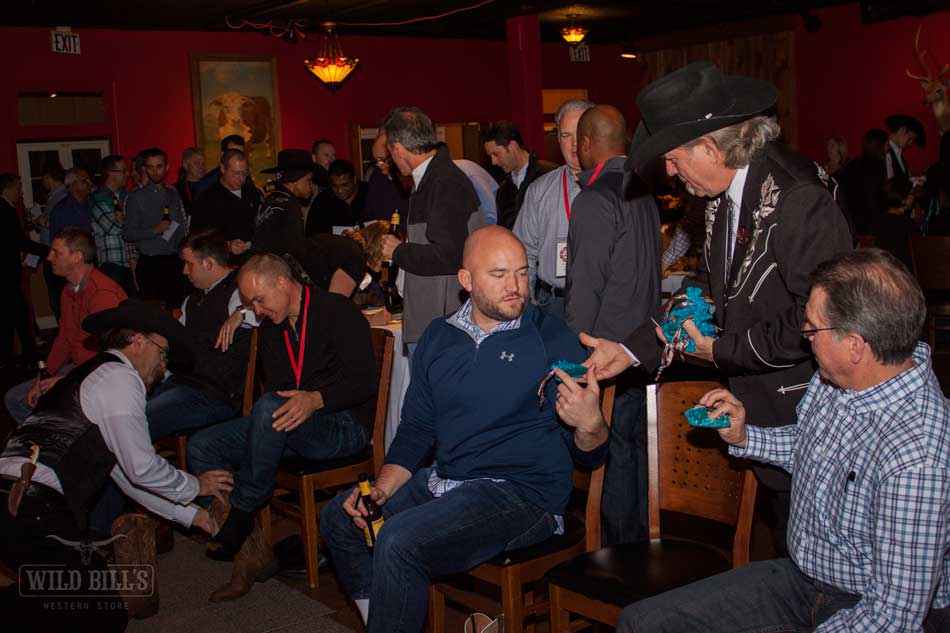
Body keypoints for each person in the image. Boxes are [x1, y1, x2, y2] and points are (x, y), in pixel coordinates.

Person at [584, 61, 853, 554]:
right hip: (759, 410)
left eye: (672, 158)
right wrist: (630, 350)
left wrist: (722, 350)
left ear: (709, 148)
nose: (668, 171)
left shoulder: (798, 199)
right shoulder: (721, 192)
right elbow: (702, 291)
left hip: (808, 417)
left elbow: (821, 323)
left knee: (822, 575)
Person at [617, 248, 950, 633]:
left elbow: (893, 617)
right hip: (801, 582)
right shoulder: (843, 378)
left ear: (856, 346)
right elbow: (814, 449)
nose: (804, 337)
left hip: (863, 607)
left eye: (811, 329)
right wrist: (745, 436)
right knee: (641, 624)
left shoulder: (918, 454)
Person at [321, 226, 610, 632]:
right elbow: (417, 429)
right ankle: (382, 618)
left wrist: (591, 424)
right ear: (466, 281)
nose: (515, 287)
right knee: (339, 517)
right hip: (449, 481)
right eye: (499, 275)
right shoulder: (440, 337)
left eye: (522, 273)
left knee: (400, 540)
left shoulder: (550, 337)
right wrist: (383, 489)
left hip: (522, 493)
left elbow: (590, 452)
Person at [0, 299, 233, 628]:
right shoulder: (121, 379)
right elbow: (142, 468)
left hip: (14, 505)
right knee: (100, 614)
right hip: (33, 509)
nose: (163, 367)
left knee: (57, 598)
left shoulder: (91, 376)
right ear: (139, 341)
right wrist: (196, 485)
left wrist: (196, 517)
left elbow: (126, 477)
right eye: (163, 353)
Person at [186, 252, 376, 602]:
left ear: (284, 282)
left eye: (259, 299)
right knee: (202, 446)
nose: (256, 311)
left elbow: (365, 382)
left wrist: (316, 399)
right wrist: (295, 404)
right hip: (289, 425)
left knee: (270, 406)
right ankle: (251, 553)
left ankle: (243, 512)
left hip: (342, 425)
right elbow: (281, 392)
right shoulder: (273, 329)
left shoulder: (337, 311)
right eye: (249, 303)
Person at [565, 104, 661, 546]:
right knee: (641, 463)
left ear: (586, 144)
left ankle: (620, 566)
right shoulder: (643, 192)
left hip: (605, 355)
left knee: (615, 465)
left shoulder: (595, 198)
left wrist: (571, 359)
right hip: (644, 347)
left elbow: (584, 288)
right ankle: (642, 550)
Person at [379, 107, 486, 353]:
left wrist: (399, 251)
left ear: (397, 148)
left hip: (439, 325)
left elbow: (449, 256)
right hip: (434, 320)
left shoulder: (443, 181)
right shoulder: (431, 178)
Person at [4, 228, 127, 423]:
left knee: (28, 402)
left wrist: (63, 381)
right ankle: (53, 443)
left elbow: (109, 357)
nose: (50, 257)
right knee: (17, 398)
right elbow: (64, 340)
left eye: (56, 252)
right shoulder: (69, 290)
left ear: (76, 257)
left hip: (103, 375)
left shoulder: (101, 293)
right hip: (80, 368)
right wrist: (43, 377)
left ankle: (62, 442)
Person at [146, 231, 257, 442]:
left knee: (139, 420)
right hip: (184, 385)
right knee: (127, 409)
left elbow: (263, 313)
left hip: (217, 396)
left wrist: (241, 312)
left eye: (189, 264)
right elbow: (175, 341)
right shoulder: (192, 300)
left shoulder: (238, 292)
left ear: (208, 263)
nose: (184, 271)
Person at [514, 99, 593, 319]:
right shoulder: (539, 190)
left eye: (580, 133)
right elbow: (523, 251)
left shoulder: (617, 188)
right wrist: (525, 304)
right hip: (552, 304)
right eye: (566, 135)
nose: (574, 144)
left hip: (600, 304)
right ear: (558, 139)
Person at [122, 147, 188, 309]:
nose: (155, 171)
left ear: (167, 167)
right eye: (150, 167)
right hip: (151, 263)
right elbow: (127, 234)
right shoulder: (135, 197)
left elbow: (179, 227)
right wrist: (155, 230)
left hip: (175, 261)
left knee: (178, 311)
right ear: (144, 169)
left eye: (159, 166)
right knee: (153, 316)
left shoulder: (173, 193)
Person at [0, 173, 47, 367]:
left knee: (9, 316)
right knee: (18, 313)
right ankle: (28, 355)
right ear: (8, 188)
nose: (20, 192)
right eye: (18, 188)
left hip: (5, 273)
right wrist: (48, 249)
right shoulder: (5, 210)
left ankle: (8, 357)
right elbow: (18, 240)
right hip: (5, 273)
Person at [190, 149, 262, 265]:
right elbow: (198, 238)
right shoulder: (207, 199)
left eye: (244, 173)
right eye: (236, 173)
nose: (241, 178)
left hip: (252, 261)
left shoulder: (252, 192)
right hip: (223, 263)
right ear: (223, 169)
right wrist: (227, 245)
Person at [483, 120, 554, 229]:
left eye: (496, 154)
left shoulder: (549, 176)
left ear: (513, 146)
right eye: (490, 156)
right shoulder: (503, 191)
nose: (493, 162)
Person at [89, 154, 135, 295]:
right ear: (111, 173)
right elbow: (113, 227)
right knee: (114, 309)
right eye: (123, 171)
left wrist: (125, 220)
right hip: (112, 263)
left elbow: (140, 223)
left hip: (132, 261)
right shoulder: (97, 198)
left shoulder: (128, 196)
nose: (127, 174)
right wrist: (131, 223)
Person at [253, 149, 311, 255]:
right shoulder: (290, 206)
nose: (310, 186)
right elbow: (297, 249)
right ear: (296, 179)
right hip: (278, 267)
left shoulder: (270, 198)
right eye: (308, 180)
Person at [837, 128, 889, 235]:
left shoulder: (854, 163)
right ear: (881, 145)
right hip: (869, 222)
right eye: (887, 144)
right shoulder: (877, 166)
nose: (888, 148)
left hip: (851, 219)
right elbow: (873, 197)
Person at [306, 158, 368, 236]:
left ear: (354, 179)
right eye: (335, 186)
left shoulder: (370, 193)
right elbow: (312, 235)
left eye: (345, 185)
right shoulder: (322, 201)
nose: (340, 190)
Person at [364, 133, 411, 222]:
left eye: (382, 159)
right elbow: (369, 210)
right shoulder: (376, 176)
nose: (379, 165)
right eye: (376, 160)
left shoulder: (410, 177)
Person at [884, 114, 925, 183]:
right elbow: (889, 184)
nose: (910, 144)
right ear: (902, 130)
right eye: (910, 139)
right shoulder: (885, 152)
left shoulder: (899, 153)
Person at [175, 146, 206, 215]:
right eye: (197, 163)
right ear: (185, 165)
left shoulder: (211, 185)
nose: (201, 167)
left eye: (203, 163)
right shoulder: (175, 190)